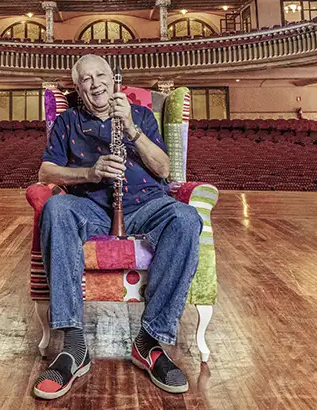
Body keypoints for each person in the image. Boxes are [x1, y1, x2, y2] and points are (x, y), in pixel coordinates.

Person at [32, 54, 202, 400]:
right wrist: (90, 174)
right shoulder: (67, 122)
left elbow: (164, 169)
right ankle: (74, 345)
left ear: (114, 80)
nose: (95, 84)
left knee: (186, 218)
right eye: (86, 79)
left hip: (146, 206)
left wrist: (132, 130)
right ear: (78, 88)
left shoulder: (139, 116)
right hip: (90, 206)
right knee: (56, 207)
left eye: (101, 76)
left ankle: (150, 341)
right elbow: (46, 174)